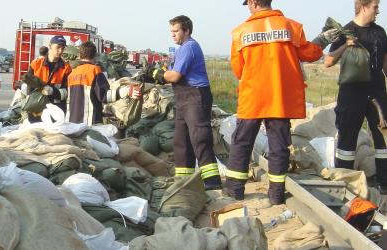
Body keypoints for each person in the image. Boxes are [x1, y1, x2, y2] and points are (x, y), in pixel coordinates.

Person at [226, 0, 340, 204]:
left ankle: (235, 192)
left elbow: (238, 68)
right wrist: (323, 39)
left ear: (252, 2)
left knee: (242, 143)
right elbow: (310, 53)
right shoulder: (291, 27)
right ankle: (276, 195)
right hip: (280, 97)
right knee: (278, 146)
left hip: (253, 97)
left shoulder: (240, 32)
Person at [325, 0, 387, 192]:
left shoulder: (380, 32)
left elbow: (385, 62)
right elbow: (328, 61)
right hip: (351, 94)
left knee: (382, 138)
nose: (378, 10)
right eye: (375, 6)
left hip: (377, 92)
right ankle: (346, 183)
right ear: (363, 7)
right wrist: (346, 46)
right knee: (347, 139)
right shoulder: (346, 32)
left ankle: (384, 182)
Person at [157, 15, 222, 190]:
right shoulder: (181, 49)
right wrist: (161, 74)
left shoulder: (189, 47)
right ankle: (184, 180)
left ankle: (212, 180)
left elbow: (175, 75)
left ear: (186, 30)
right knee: (182, 139)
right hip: (184, 97)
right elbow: (171, 73)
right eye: (171, 31)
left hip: (195, 96)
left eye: (176, 31)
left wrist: (158, 75)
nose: (173, 35)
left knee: (199, 137)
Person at [66, 41, 141, 125]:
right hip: (89, 122)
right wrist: (126, 91)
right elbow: (105, 96)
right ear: (95, 56)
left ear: (79, 55)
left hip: (72, 122)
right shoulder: (94, 71)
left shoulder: (72, 74)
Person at [27, 36, 71, 118]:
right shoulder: (36, 64)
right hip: (36, 108)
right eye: (58, 47)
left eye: (63, 48)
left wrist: (53, 91)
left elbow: (67, 92)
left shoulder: (66, 68)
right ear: (50, 46)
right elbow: (29, 89)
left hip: (56, 110)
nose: (60, 51)